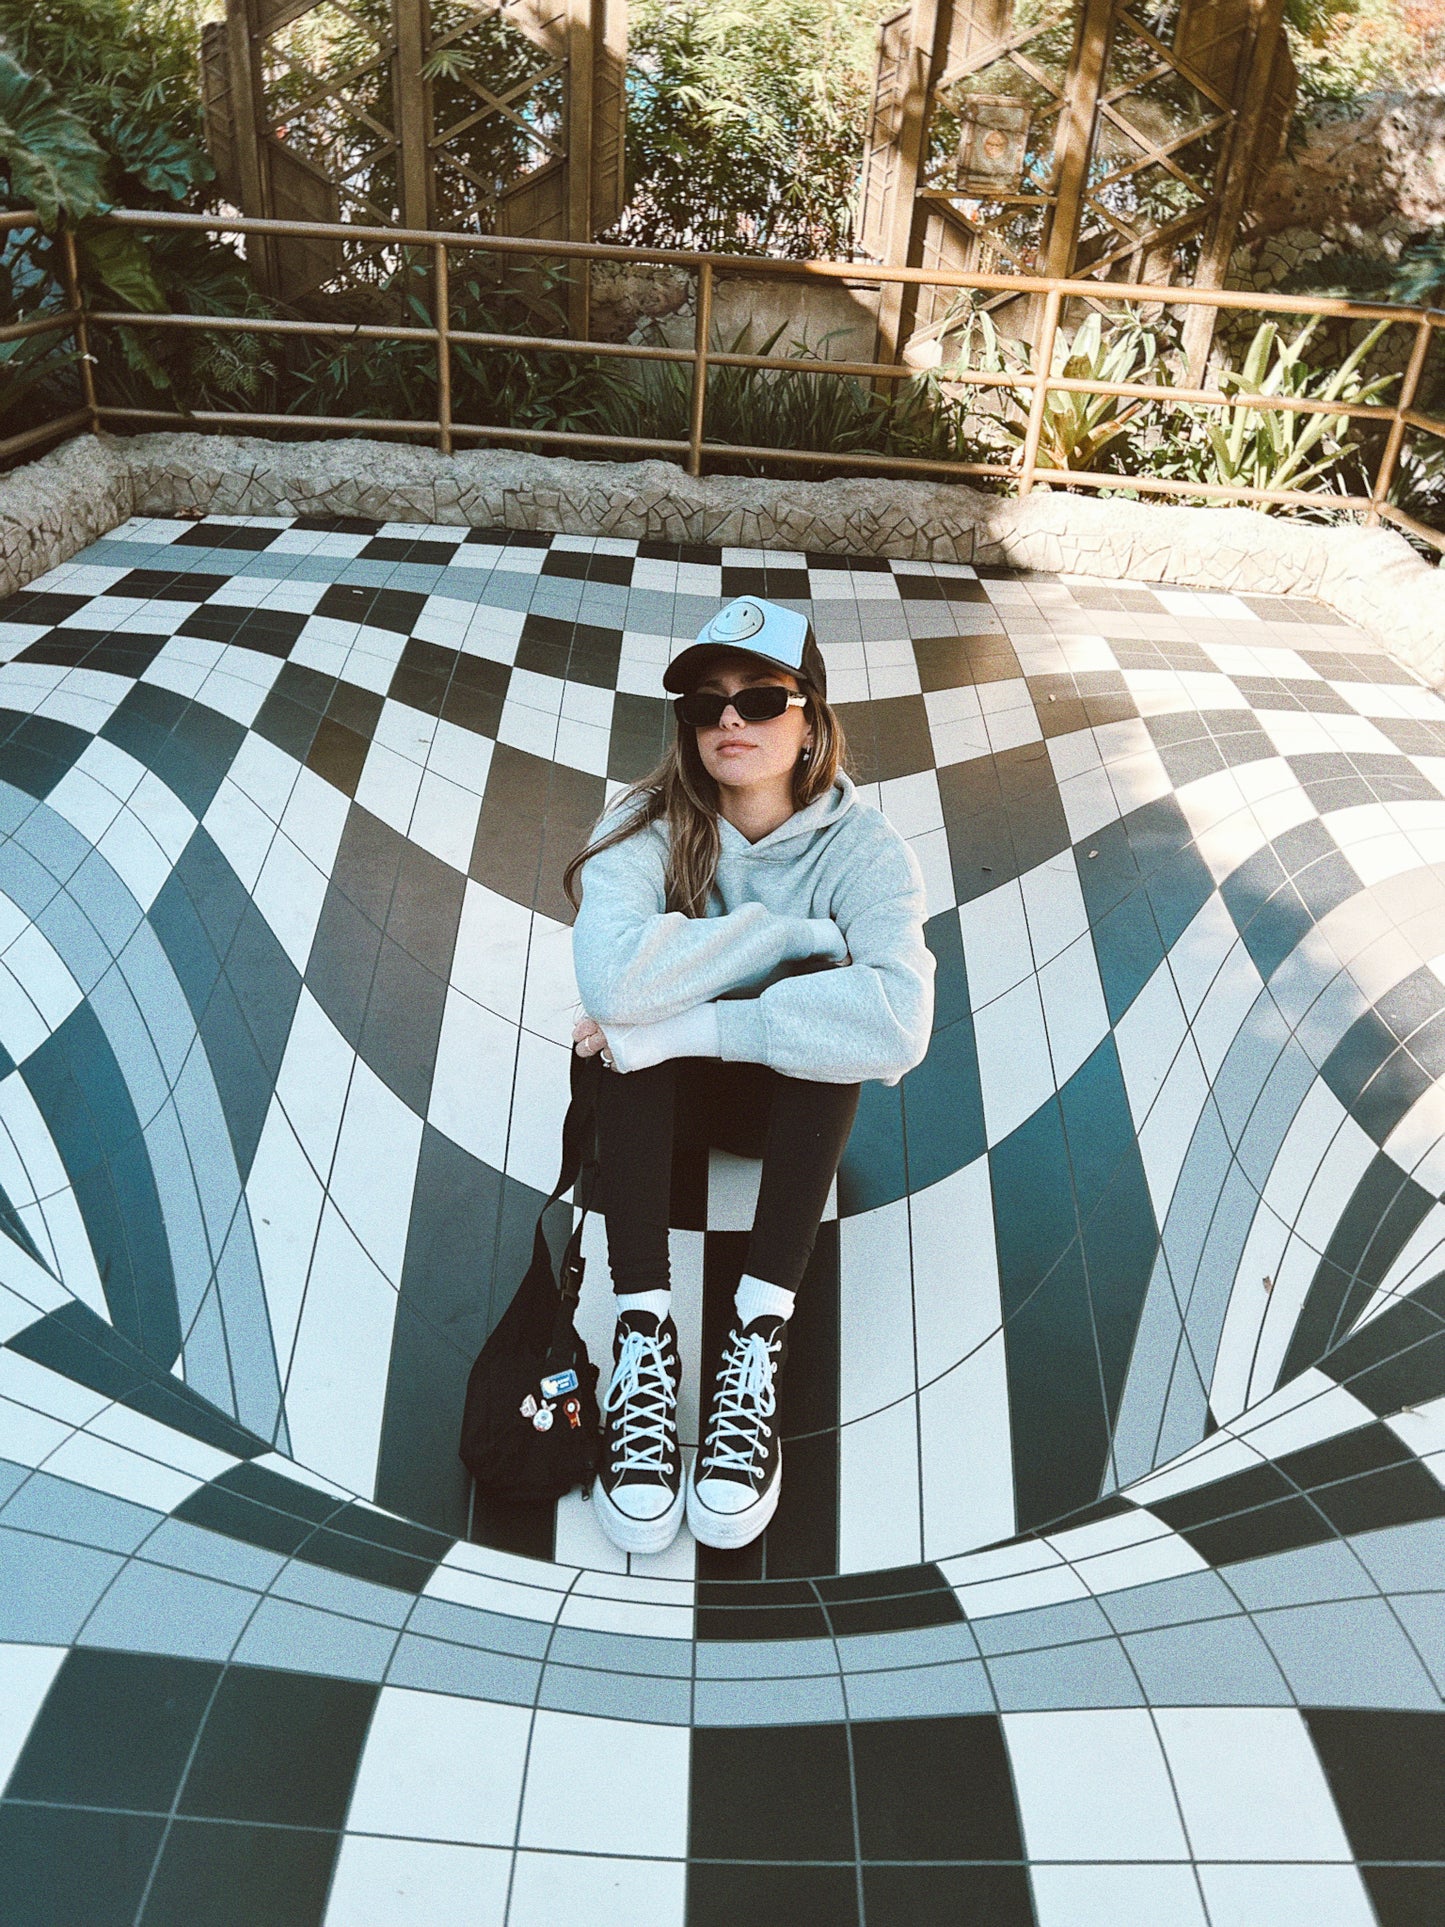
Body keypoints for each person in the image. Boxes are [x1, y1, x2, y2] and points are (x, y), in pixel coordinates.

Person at [562, 595, 936, 1556]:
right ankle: (642, 1332)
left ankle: (754, 1338)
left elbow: (899, 1021)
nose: (731, 720)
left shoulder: (866, 851)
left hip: (784, 1113)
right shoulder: (645, 822)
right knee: (636, 1013)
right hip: (666, 1109)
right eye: (707, 702)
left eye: (762, 698)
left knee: (826, 1030)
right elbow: (608, 974)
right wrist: (790, 937)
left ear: (809, 718)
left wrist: (690, 1017)